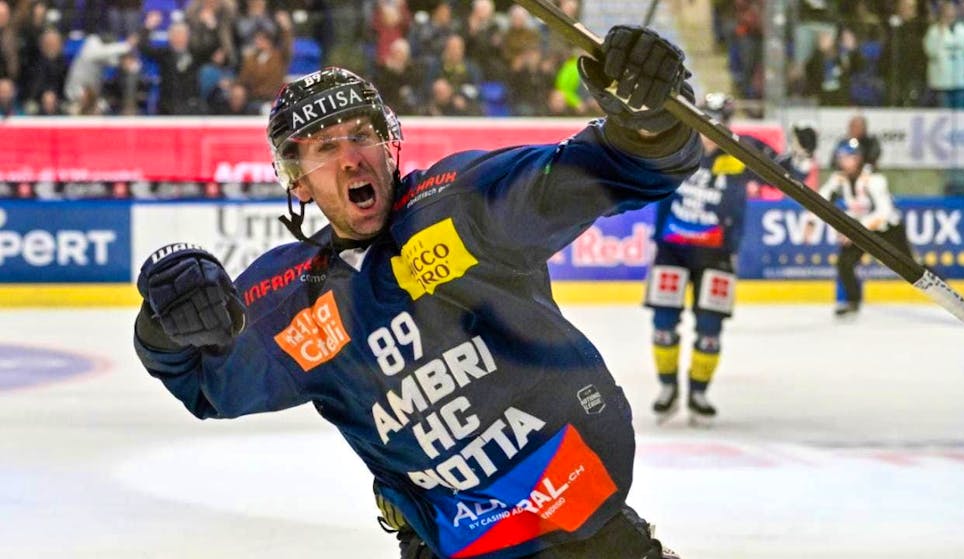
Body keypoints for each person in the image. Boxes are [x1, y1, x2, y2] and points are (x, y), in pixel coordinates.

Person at [132, 25, 700, 559]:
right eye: (324, 147)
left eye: (361, 135)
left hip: (588, 530)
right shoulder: (293, 298)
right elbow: (204, 379)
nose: (351, 157)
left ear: (389, 144)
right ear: (297, 181)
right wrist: (166, 320)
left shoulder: (463, 203)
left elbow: (611, 169)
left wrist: (648, 123)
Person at [646, 93, 817, 426]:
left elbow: (785, 175)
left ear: (727, 122)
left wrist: (803, 154)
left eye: (717, 121)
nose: (709, 129)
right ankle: (667, 387)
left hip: (718, 253)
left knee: (710, 329)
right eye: (704, 119)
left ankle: (698, 392)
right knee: (663, 324)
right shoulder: (674, 144)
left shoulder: (742, 149)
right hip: (672, 248)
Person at [807, 137, 914, 318]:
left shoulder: (874, 179)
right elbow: (820, 200)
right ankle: (853, 302)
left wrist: (854, 230)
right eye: (841, 157)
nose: (843, 161)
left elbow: (884, 212)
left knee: (910, 266)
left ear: (858, 158)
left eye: (848, 157)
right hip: (859, 231)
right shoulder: (838, 179)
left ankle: (940, 286)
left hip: (887, 229)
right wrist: (811, 221)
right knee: (844, 263)